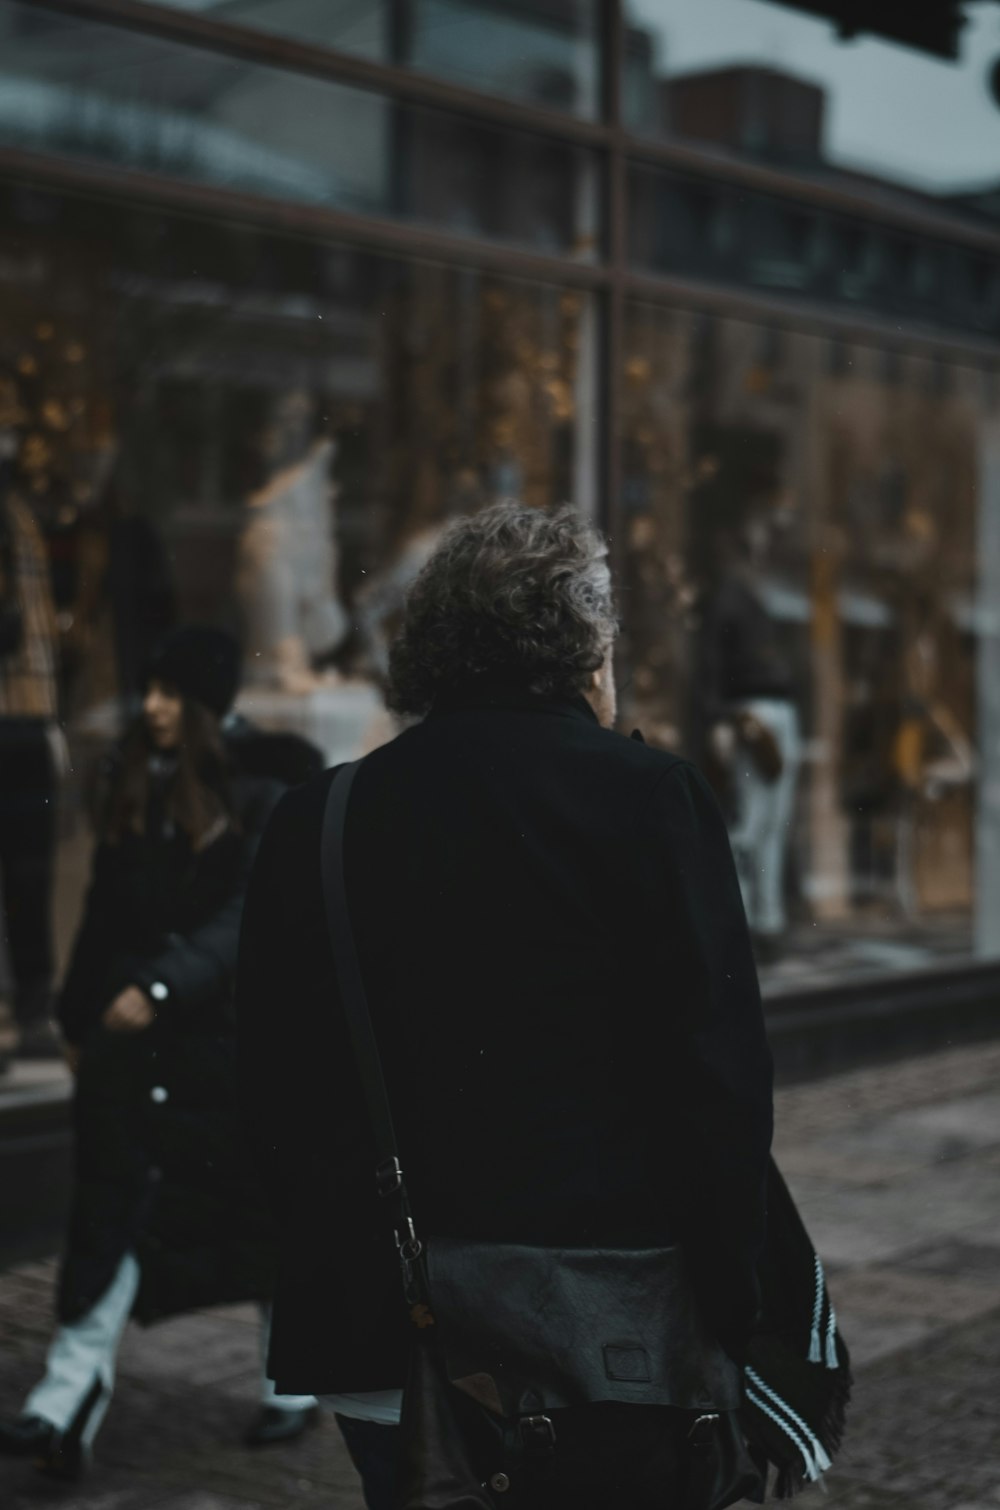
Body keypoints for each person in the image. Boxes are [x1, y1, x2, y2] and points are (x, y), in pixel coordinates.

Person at [237, 502, 774, 1508]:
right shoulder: (649, 798)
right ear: (586, 651)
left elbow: (270, 1088)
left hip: (389, 1329)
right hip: (608, 1331)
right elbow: (721, 1093)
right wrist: (734, 1311)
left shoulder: (323, 817)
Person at [0, 627, 317, 1481]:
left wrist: (166, 987)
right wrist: (72, 1014)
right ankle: (66, 1392)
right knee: (111, 1208)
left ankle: (291, 1382)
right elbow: (104, 906)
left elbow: (252, 911)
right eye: (149, 692)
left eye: (171, 694)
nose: (153, 708)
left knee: (258, 1215)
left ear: (208, 702)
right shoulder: (135, 777)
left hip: (228, 1044)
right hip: (135, 1046)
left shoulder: (270, 783)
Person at [698, 513, 802, 958]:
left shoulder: (769, 591)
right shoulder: (731, 594)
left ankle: (768, 921)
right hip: (751, 711)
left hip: (779, 709)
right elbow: (711, 660)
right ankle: (742, 924)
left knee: (773, 823)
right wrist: (720, 717)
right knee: (750, 824)